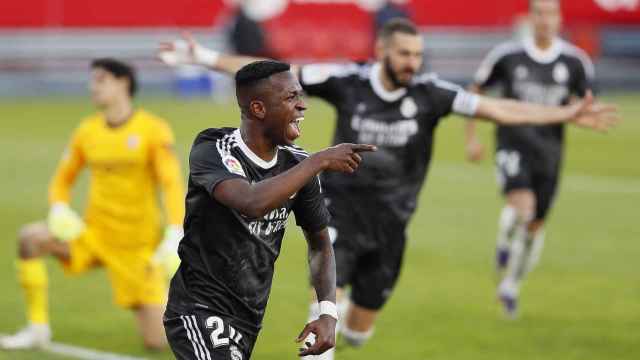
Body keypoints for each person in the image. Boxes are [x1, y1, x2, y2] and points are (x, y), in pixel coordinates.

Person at [157, 19, 616, 359]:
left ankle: (343, 318)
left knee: (359, 332)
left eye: (418, 55)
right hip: (336, 220)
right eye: (404, 54)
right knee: (325, 315)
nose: (413, 63)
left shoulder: (431, 95)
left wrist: (563, 114)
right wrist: (204, 59)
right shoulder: (342, 83)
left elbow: (497, 110)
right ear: (382, 52)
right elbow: (267, 80)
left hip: (392, 226)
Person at [162, 60, 377, 360]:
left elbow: (320, 244)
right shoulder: (213, 149)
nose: (303, 106)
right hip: (198, 309)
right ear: (259, 109)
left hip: (248, 318)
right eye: (291, 97)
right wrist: (318, 161)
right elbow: (251, 203)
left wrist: (327, 311)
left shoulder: (298, 166)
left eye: (301, 96)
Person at [0, 58, 185, 351]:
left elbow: (171, 183)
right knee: (30, 239)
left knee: (158, 342)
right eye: (92, 81)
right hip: (93, 235)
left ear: (123, 83)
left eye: (101, 80)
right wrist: (59, 207)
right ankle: (37, 329)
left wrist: (175, 230)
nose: (93, 87)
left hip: (136, 246)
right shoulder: (87, 131)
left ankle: (189, 304)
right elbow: (63, 179)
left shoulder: (153, 129)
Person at [464, 0, 597, 318]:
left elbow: (585, 102)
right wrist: (472, 137)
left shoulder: (574, 61)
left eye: (551, 13)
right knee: (523, 208)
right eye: (540, 13)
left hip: (550, 153)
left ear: (559, 18)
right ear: (531, 17)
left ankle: (511, 284)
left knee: (535, 224)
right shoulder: (508, 56)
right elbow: (475, 91)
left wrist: (588, 116)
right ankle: (507, 234)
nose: (545, 20)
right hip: (512, 144)